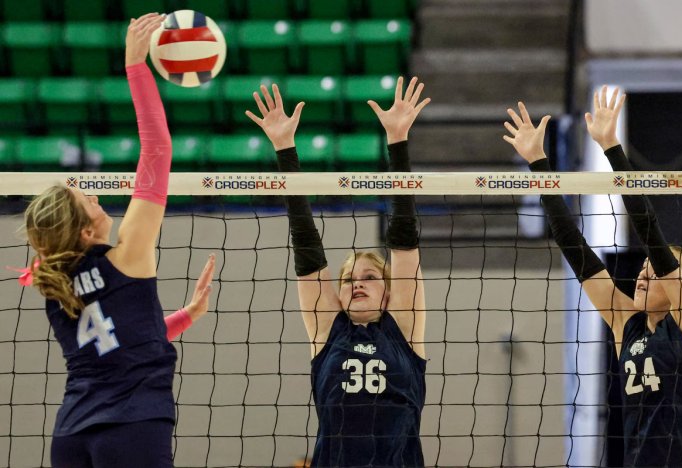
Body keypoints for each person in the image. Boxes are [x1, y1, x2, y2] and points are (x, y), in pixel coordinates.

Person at [22, 13, 214, 468]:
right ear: (86, 231)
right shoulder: (127, 255)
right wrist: (135, 64)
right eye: (83, 197)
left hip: (72, 434)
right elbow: (158, 151)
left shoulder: (56, 285)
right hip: (132, 429)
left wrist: (186, 317)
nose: (92, 192)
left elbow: (122, 338)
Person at [502, 89, 682, 467]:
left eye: (655, 274)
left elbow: (649, 228)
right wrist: (539, 163)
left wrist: (611, 147)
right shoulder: (627, 324)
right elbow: (576, 250)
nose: (641, 277)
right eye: (642, 272)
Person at [246, 76, 430, 467]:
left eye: (368, 277)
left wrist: (397, 140)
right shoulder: (329, 329)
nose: (356, 284)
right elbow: (307, 246)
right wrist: (284, 149)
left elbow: (404, 241)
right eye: (348, 279)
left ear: (388, 291)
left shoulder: (405, 328)